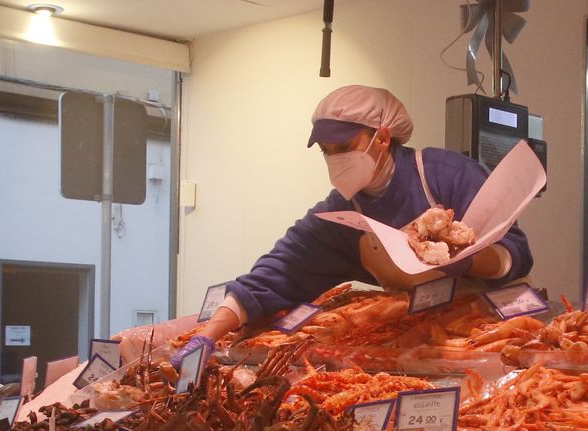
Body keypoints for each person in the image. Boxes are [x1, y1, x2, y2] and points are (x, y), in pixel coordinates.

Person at [175, 84, 534, 361]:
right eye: (326, 152)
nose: (335, 159)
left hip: (481, 335)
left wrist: (464, 258)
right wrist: (208, 334)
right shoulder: (339, 215)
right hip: (408, 337)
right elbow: (276, 273)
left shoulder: (446, 174)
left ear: (382, 137)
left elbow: (515, 254)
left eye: (344, 145)